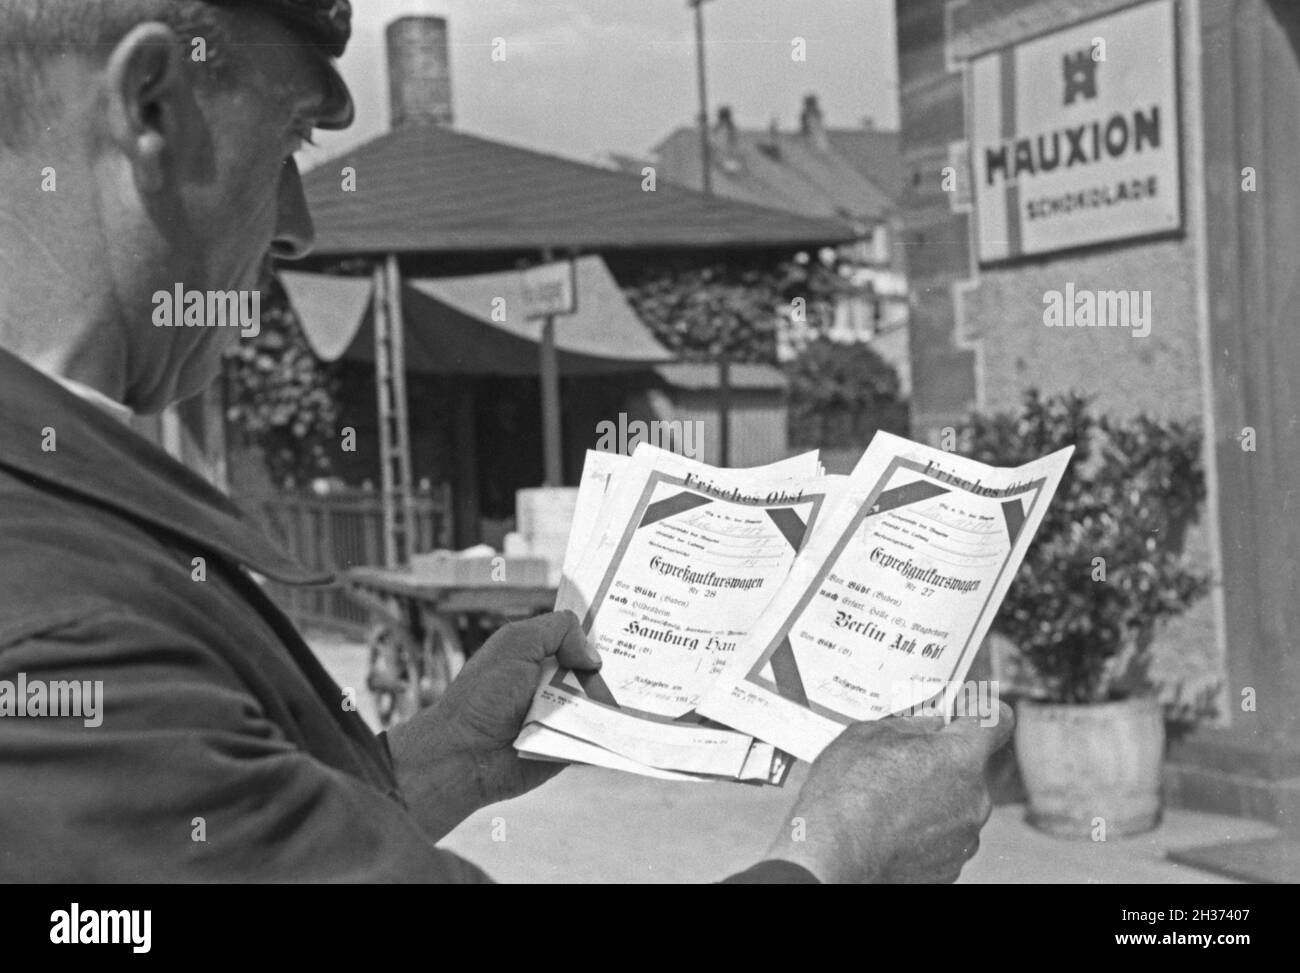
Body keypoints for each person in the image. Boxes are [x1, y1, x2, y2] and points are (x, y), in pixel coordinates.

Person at [0, 0, 1010, 883]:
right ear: (151, 106)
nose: (300, 225)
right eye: (295, 140)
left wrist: (445, 759)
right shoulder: (55, 636)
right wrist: (840, 854)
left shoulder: (60, 523)